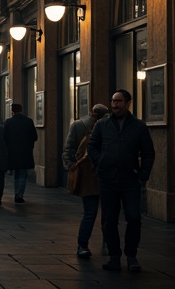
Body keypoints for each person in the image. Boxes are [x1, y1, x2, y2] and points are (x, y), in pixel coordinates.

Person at [88, 88, 155, 271]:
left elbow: (148, 152)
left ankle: (131, 255)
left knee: (133, 217)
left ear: (127, 103)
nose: (115, 105)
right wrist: (100, 162)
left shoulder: (138, 126)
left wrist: (142, 174)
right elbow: (92, 146)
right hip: (107, 179)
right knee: (109, 220)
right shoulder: (102, 125)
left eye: (118, 101)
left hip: (130, 180)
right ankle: (114, 256)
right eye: (113, 101)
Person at [63, 103, 109, 257]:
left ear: (91, 112)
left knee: (89, 213)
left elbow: (68, 148)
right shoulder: (108, 126)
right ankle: (107, 245)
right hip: (106, 175)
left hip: (88, 176)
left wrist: (71, 165)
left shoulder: (77, 126)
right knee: (108, 214)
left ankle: (82, 246)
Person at [3, 102, 38, 203]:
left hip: (13, 152)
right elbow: (35, 137)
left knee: (16, 174)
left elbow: (5, 137)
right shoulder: (28, 121)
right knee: (23, 174)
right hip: (26, 152)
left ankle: (16, 193)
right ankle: (19, 194)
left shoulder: (8, 122)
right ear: (21, 110)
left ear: (12, 111)